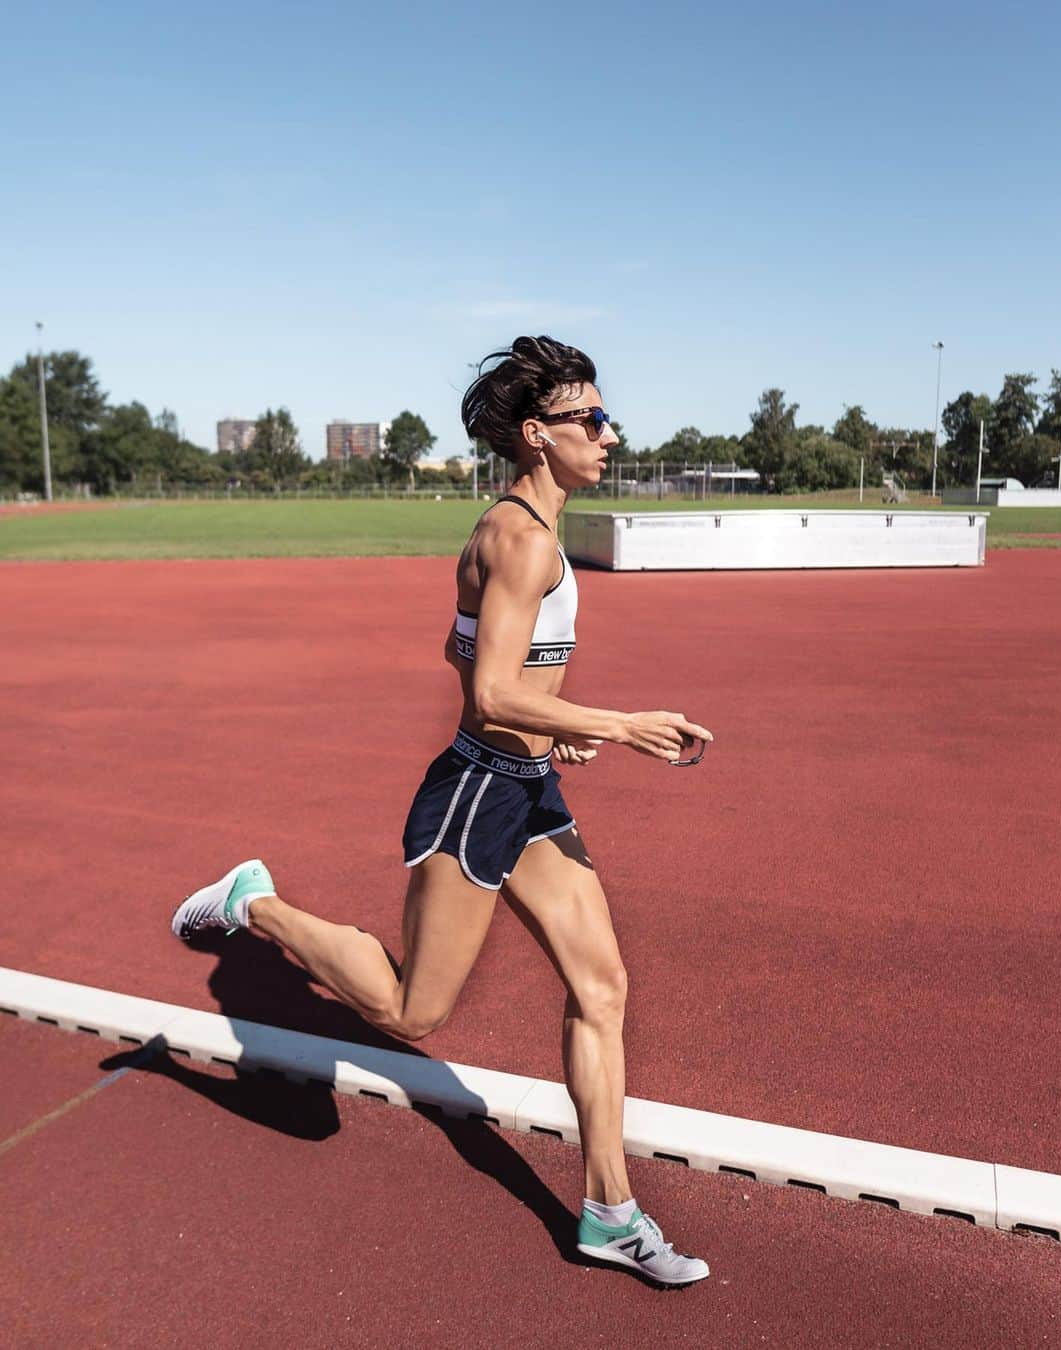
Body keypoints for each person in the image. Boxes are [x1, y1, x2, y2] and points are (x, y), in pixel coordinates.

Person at [171, 335, 713, 1286]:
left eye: (604, 416)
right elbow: (492, 696)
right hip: (477, 794)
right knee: (413, 1011)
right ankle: (256, 901)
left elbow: (464, 657)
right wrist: (619, 723)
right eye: (592, 420)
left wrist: (558, 735)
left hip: (529, 788)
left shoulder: (521, 532)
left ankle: (609, 1214)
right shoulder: (523, 538)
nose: (610, 434)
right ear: (538, 436)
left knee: (603, 988)